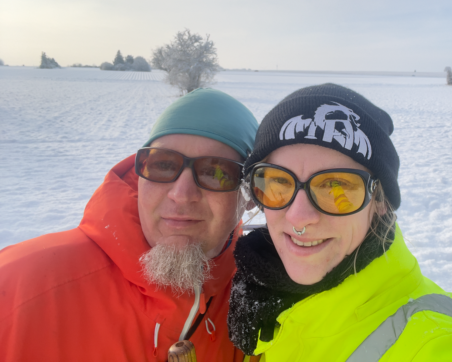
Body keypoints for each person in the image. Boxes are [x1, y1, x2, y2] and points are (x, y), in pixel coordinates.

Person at [228, 83, 452, 361]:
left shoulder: (438, 345)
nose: (299, 217)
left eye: (337, 186)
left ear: (380, 201)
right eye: (278, 182)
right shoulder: (269, 304)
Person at [0, 88, 258, 361]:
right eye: (163, 165)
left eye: (215, 172)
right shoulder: (17, 287)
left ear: (250, 195)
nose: (180, 194)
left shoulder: (264, 309)